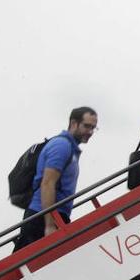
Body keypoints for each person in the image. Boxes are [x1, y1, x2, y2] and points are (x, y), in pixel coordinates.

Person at [14, 107, 99, 251]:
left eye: (93, 128)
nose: (90, 132)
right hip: (43, 218)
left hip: (53, 216)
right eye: (86, 126)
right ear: (73, 123)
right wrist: (50, 225)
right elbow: (47, 184)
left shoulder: (70, 148)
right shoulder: (62, 146)